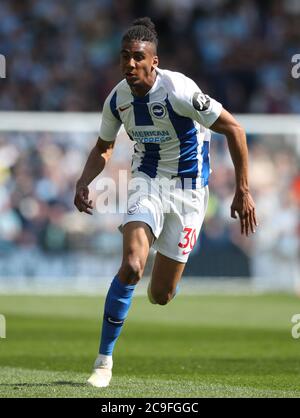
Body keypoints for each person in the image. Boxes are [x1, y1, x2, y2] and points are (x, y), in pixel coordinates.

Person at [74, 17, 257, 388]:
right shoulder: (117, 99)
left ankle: (161, 256)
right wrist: (83, 181)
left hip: (190, 192)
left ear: (153, 61)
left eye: (137, 57)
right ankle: (104, 359)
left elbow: (234, 129)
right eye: (124, 57)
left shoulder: (180, 90)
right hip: (147, 182)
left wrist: (243, 189)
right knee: (131, 265)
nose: (129, 64)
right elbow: (104, 147)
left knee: (161, 295)